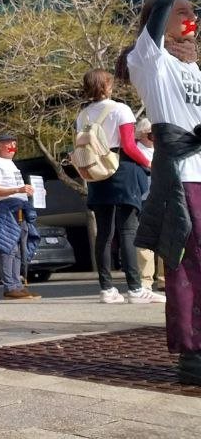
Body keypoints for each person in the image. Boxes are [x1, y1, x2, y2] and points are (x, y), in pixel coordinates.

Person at [121, 0, 200, 384]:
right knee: (187, 261)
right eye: (183, 10)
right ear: (163, 18)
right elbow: (164, 0)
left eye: (195, 11)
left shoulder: (193, 66)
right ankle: (192, 351)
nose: (192, 18)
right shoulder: (149, 59)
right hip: (181, 175)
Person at [76, 68, 161, 304]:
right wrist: (149, 164)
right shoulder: (120, 110)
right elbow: (129, 146)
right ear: (107, 86)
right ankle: (135, 288)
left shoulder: (83, 115)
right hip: (122, 170)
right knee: (127, 230)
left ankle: (107, 288)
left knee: (103, 232)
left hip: (96, 172)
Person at [0, 132, 41, 301]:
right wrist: (18, 190)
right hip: (7, 208)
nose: (11, 147)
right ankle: (10, 286)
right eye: (7, 143)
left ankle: (17, 285)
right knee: (8, 247)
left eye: (13, 143)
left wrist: (30, 192)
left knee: (19, 248)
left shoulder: (12, 165)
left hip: (20, 208)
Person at [133, 119, 166, 292]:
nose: (154, 137)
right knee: (145, 241)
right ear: (142, 135)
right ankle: (145, 280)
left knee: (164, 239)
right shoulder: (137, 151)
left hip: (164, 197)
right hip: (144, 199)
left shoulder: (163, 149)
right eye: (150, 134)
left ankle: (163, 279)